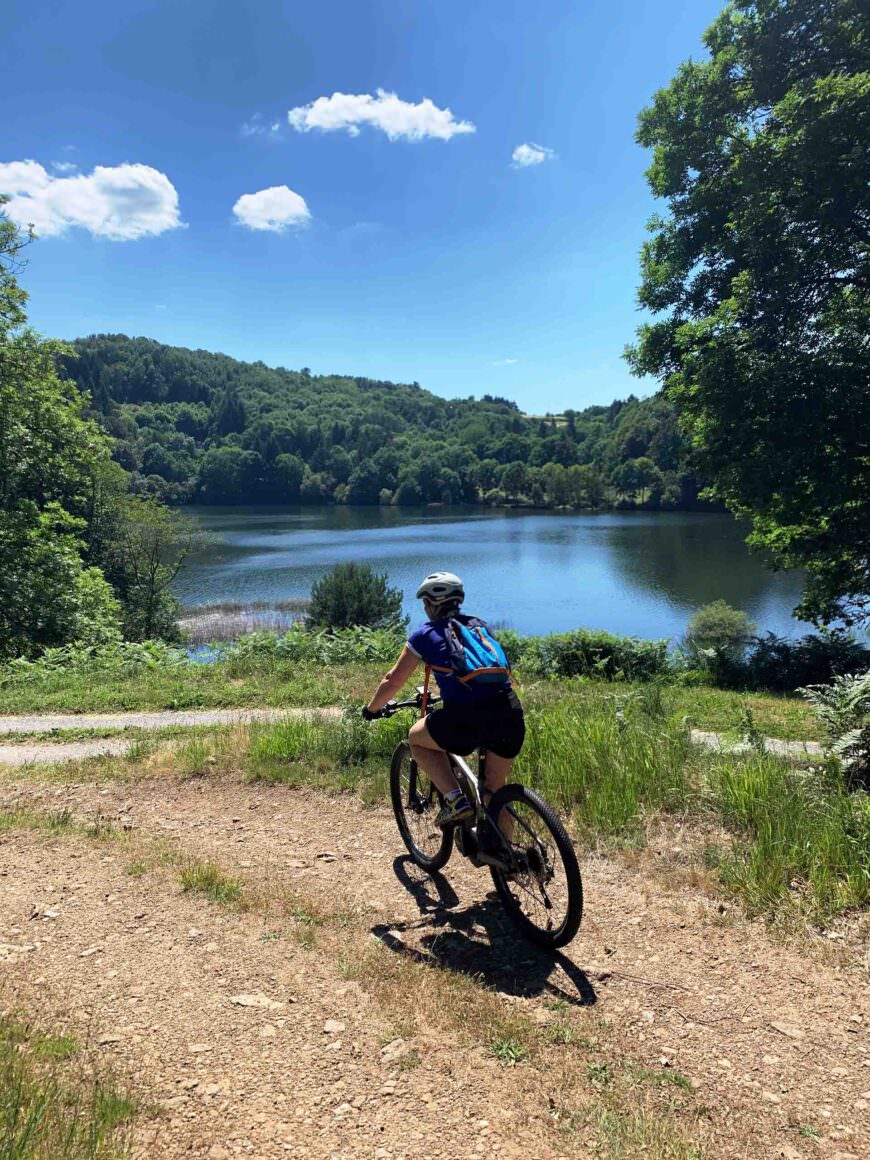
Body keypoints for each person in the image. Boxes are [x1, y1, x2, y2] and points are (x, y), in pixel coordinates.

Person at [362, 571, 525, 829]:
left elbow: (393, 680)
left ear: (430, 604)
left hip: (466, 719)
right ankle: (507, 853)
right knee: (494, 793)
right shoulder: (480, 626)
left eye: (424, 603)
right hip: (509, 711)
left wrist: (371, 709)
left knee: (416, 738)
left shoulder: (425, 635)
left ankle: (455, 800)